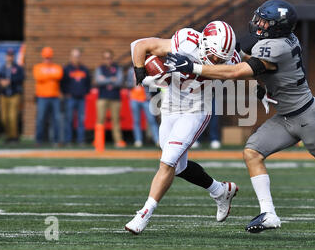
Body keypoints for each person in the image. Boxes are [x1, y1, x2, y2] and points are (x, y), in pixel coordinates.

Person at [166, 0, 315, 233]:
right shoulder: (277, 40)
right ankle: (269, 214)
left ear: (277, 27)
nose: (258, 24)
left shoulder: (277, 47)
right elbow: (250, 57)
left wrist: (194, 67)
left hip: (307, 116)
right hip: (285, 116)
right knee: (252, 152)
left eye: (264, 22)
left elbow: (238, 71)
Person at [125, 20, 240, 234]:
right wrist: (140, 70)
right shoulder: (186, 42)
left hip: (196, 110)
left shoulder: (231, 58)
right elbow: (139, 45)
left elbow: (248, 70)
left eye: (221, 58)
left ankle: (144, 214)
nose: (217, 61)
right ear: (204, 43)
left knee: (168, 161)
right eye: (214, 56)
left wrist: (260, 91)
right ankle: (220, 190)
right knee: (178, 167)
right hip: (170, 105)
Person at [94, 49, 126, 148]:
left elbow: (119, 81)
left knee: (116, 120)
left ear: (112, 58)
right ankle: (98, 141)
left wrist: (105, 79)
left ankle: (118, 140)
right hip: (102, 97)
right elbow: (98, 81)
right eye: (106, 58)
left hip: (115, 97)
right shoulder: (99, 68)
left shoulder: (117, 68)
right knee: (100, 119)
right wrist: (111, 79)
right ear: (103, 59)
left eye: (109, 58)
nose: (108, 60)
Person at [33, 47, 63, 146]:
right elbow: (38, 77)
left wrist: (46, 76)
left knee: (56, 119)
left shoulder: (56, 67)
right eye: (46, 57)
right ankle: (39, 140)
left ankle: (55, 140)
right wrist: (51, 76)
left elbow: (59, 75)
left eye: (49, 57)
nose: (47, 59)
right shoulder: (38, 67)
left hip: (55, 97)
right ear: (43, 57)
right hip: (42, 96)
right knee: (40, 119)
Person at [61, 48, 91, 146]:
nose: (76, 58)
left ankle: (80, 140)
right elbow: (62, 83)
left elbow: (88, 83)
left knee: (81, 120)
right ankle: (68, 140)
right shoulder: (66, 69)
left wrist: (85, 92)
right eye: (74, 56)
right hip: (70, 98)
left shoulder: (84, 69)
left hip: (81, 98)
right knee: (69, 119)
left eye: (78, 56)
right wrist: (66, 92)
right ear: (71, 57)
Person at [126, 63, 159, 147]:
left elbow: (152, 83)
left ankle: (157, 139)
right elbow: (127, 83)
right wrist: (134, 83)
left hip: (146, 98)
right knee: (136, 121)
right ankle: (138, 140)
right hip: (134, 98)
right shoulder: (130, 70)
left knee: (152, 120)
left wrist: (152, 95)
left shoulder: (147, 68)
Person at [0, 48, 25, 143]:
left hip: (14, 94)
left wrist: (10, 81)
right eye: (8, 55)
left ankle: (14, 137)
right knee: (4, 117)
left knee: (13, 116)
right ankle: (8, 135)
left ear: (13, 57)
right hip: (4, 95)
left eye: (11, 55)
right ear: (6, 57)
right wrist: (1, 82)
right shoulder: (2, 68)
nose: (9, 57)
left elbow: (22, 78)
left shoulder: (18, 67)